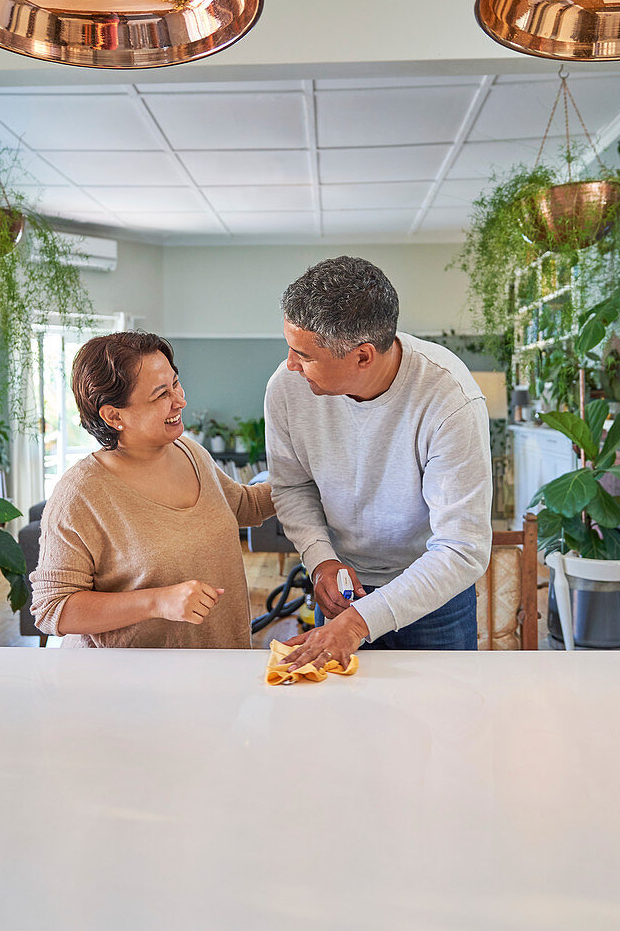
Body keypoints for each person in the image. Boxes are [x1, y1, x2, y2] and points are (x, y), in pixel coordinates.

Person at [264, 256, 492, 671]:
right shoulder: (287, 387)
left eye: (304, 355)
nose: (291, 365)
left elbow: (461, 549)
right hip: (342, 588)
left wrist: (359, 624)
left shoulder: (450, 399)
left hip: (432, 595)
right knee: (342, 725)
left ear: (363, 357)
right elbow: (293, 486)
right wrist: (320, 560)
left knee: (443, 721)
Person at [30, 331, 274, 648]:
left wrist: (319, 476)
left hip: (220, 668)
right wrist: (157, 602)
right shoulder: (81, 493)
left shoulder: (191, 452)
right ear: (113, 415)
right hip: (130, 687)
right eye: (161, 395)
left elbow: (244, 506)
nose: (180, 400)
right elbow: (52, 609)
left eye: (175, 383)